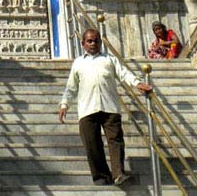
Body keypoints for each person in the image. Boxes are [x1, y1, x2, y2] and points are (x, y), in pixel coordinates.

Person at [58, 29, 153, 186]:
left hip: (109, 107)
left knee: (115, 141)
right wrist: (64, 104)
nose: (93, 44)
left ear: (100, 43)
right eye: (89, 41)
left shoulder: (110, 59)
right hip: (87, 108)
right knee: (91, 144)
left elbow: (124, 74)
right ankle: (101, 177)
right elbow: (71, 87)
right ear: (83, 44)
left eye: (96, 41)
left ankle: (118, 174)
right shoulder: (78, 63)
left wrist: (137, 83)